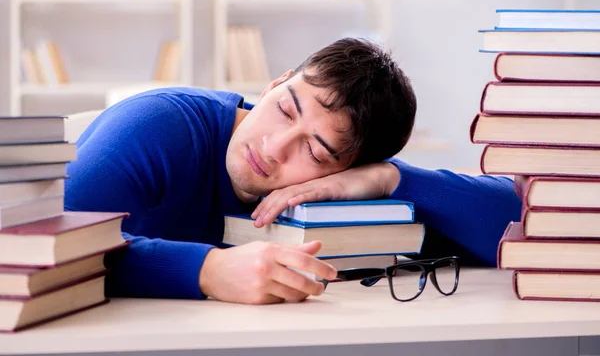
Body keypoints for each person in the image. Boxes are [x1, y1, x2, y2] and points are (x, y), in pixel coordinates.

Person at [65, 37, 522, 305]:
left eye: (317, 152)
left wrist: (391, 180)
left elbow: (527, 221)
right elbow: (46, 248)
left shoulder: (343, 192)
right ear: (274, 84)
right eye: (285, 109)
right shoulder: (162, 124)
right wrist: (208, 270)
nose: (275, 146)